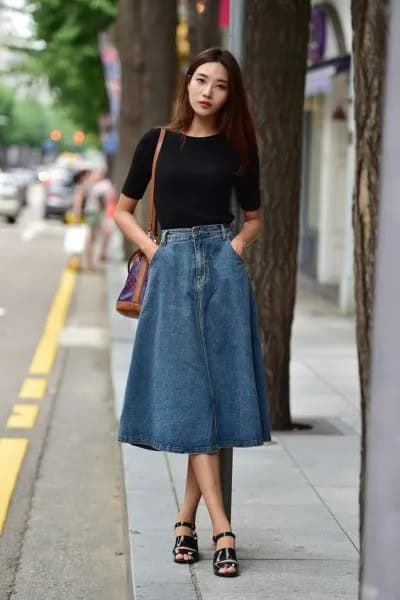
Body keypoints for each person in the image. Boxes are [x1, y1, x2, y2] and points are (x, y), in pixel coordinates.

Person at [113, 47, 271, 579]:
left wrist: (236, 249)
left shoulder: (237, 148)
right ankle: (222, 527)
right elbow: (122, 209)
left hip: (222, 271)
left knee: (213, 397)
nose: (208, 91)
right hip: (173, 265)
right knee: (189, 393)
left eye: (220, 85)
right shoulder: (157, 142)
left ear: (232, 94)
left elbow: (253, 219)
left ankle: (185, 521)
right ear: (188, 83)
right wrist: (156, 251)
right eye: (201, 80)